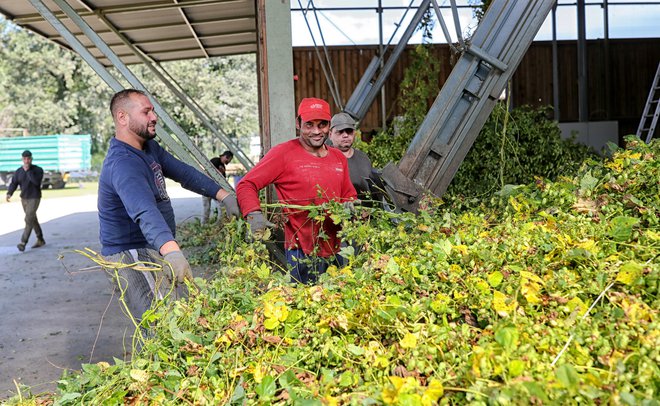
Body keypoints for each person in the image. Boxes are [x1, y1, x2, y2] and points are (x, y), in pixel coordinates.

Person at [98, 88, 240, 324]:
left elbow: (184, 173)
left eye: (153, 110)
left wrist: (224, 195)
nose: (154, 116)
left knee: (181, 315)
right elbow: (145, 211)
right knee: (162, 328)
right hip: (132, 255)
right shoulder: (123, 163)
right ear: (122, 117)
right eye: (146, 111)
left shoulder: (148, 148)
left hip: (153, 246)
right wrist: (172, 251)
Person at [236, 97, 357, 284]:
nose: (316, 131)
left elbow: (349, 194)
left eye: (322, 124)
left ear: (329, 126)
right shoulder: (283, 154)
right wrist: (253, 214)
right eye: (309, 125)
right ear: (298, 123)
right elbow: (246, 184)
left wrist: (350, 205)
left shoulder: (338, 158)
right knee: (305, 307)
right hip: (302, 252)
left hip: (338, 248)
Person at [327, 112, 374, 202]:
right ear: (330, 135)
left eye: (349, 131)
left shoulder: (363, 158)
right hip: (338, 213)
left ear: (354, 133)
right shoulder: (325, 159)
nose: (345, 135)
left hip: (366, 213)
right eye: (340, 132)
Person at [6, 149, 45, 252]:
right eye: (25, 159)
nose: (26, 161)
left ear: (31, 159)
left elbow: (36, 182)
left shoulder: (37, 170)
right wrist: (9, 193)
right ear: (22, 159)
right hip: (24, 198)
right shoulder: (19, 171)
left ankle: (23, 242)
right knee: (32, 219)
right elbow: (14, 183)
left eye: (28, 158)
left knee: (28, 219)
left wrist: (28, 172)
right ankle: (40, 239)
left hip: (34, 197)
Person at [202, 150, 234, 224]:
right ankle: (204, 224)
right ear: (226, 157)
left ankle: (219, 223)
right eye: (229, 160)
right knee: (207, 207)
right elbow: (209, 171)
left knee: (221, 206)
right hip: (207, 187)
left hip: (214, 188)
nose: (228, 162)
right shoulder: (215, 161)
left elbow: (223, 180)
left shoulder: (223, 166)